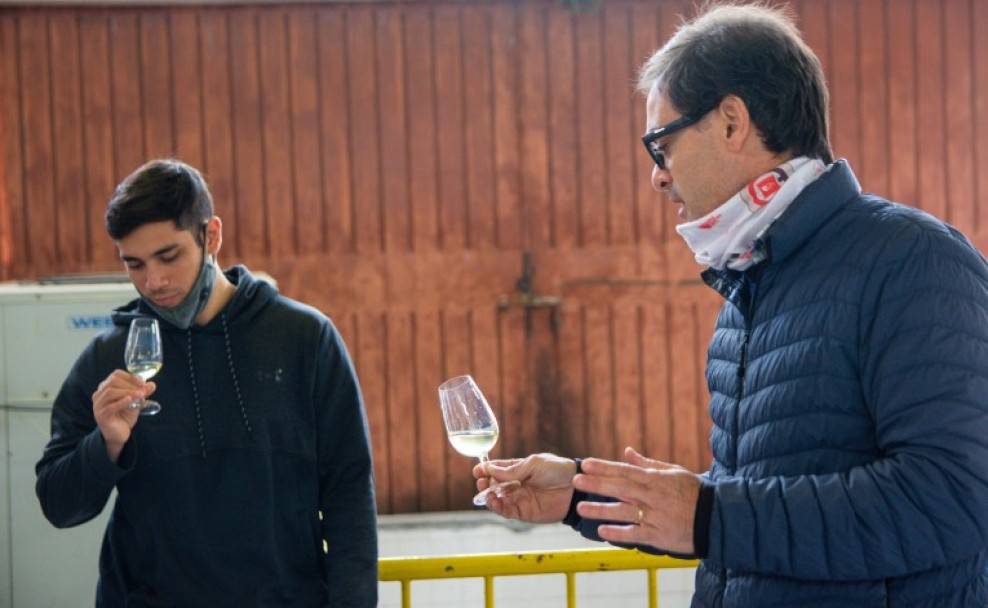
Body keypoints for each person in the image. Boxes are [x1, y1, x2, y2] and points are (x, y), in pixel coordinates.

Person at [475, 3, 988, 606]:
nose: (657, 178)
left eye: (660, 144)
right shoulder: (751, 282)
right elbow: (750, 498)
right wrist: (582, 494)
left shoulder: (914, 262)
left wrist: (709, 514)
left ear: (731, 122)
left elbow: (952, 496)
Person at [36, 159, 378, 607]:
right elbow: (59, 506)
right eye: (134, 264)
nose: (153, 281)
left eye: (168, 256)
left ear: (210, 236)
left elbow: (349, 492)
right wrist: (106, 445)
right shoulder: (109, 358)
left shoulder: (304, 338)